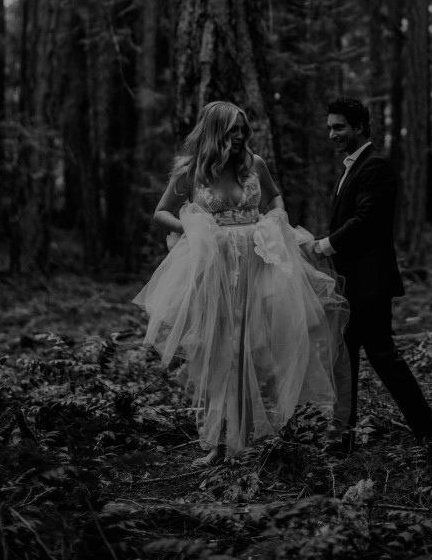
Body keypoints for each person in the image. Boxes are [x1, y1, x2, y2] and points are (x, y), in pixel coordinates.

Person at [133, 100, 350, 460]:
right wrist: (193, 227)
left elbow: (275, 198)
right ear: (214, 130)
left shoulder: (254, 164)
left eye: (241, 130)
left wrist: (276, 218)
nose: (238, 136)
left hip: (258, 265)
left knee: (256, 348)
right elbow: (161, 212)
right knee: (223, 350)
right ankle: (221, 443)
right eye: (231, 130)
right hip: (218, 271)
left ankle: (253, 437)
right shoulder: (191, 170)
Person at [314, 96, 432, 457]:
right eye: (329, 127)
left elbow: (367, 221)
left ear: (360, 127)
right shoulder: (350, 168)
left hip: (370, 286)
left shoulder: (376, 167)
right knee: (345, 362)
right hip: (349, 284)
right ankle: (343, 437)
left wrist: (325, 245)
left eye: (339, 127)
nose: (332, 134)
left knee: (384, 358)